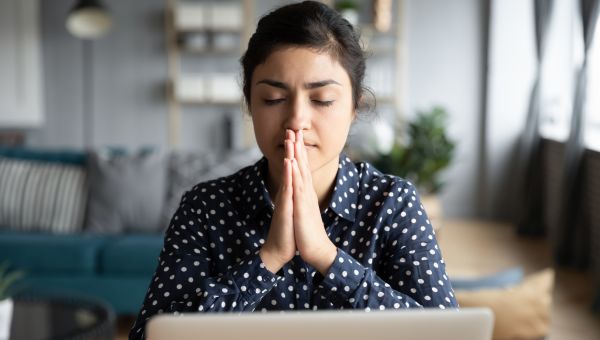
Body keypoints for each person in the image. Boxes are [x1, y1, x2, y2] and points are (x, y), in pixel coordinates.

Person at [129, 1, 458, 339]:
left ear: (354, 108)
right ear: (250, 104)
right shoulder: (206, 208)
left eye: (323, 100)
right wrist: (268, 258)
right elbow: (150, 335)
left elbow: (445, 333)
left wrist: (327, 257)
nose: (297, 121)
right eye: (273, 98)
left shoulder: (393, 203)